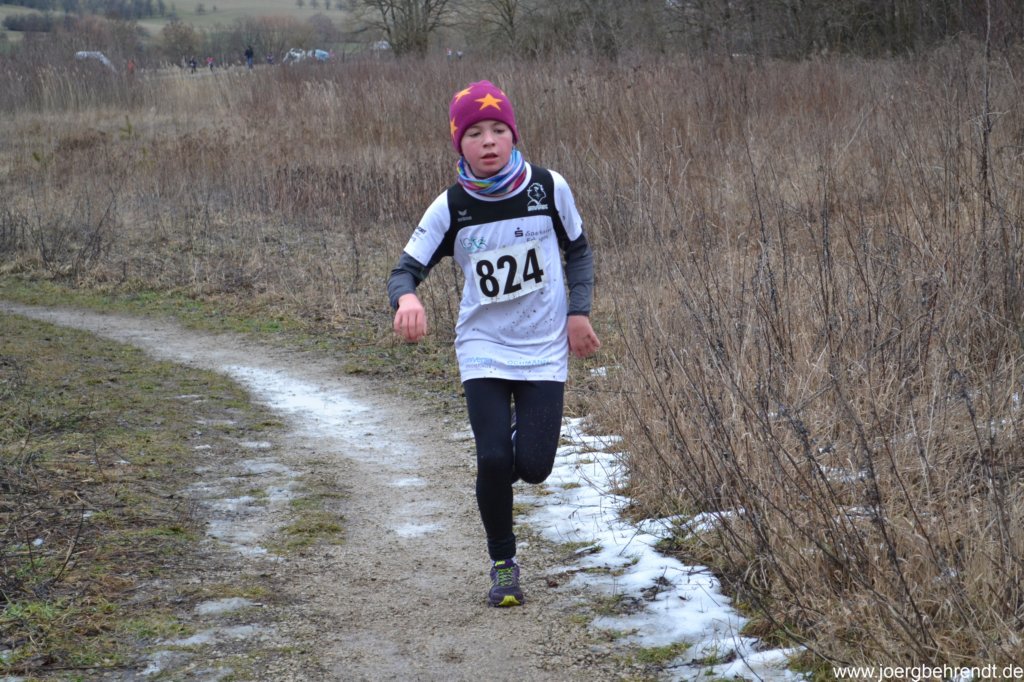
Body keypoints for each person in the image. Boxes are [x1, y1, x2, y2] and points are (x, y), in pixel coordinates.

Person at [387, 80, 601, 607]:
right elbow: (404, 270)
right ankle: (504, 566)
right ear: (458, 143)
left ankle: (511, 447)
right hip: (483, 346)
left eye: (498, 130)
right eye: (475, 133)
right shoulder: (452, 206)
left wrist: (578, 312)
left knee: (534, 466)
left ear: (513, 135)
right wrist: (407, 299)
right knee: (492, 458)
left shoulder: (548, 188)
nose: (488, 141)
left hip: (543, 347)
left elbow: (579, 251)